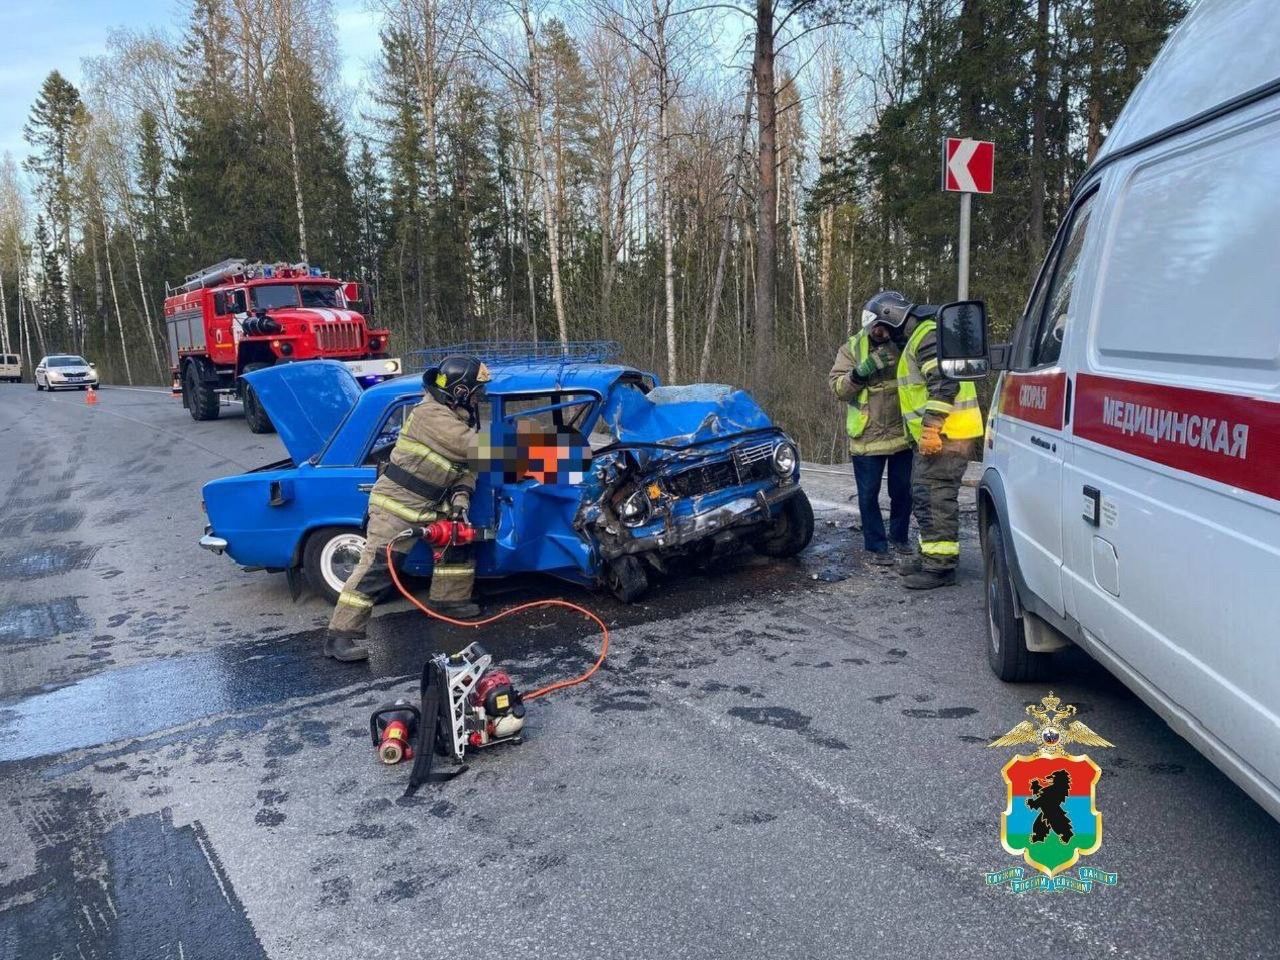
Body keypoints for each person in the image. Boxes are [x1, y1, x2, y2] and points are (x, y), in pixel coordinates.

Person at [323, 355, 490, 662]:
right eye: (476, 391)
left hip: (431, 503)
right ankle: (340, 636)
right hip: (396, 506)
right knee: (376, 569)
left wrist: (460, 500)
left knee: (458, 542)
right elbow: (480, 450)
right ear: (460, 391)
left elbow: (468, 466)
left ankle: (448, 601)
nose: (481, 397)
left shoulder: (455, 416)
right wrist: (554, 451)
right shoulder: (431, 415)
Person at [861, 291, 983, 590]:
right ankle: (929, 554)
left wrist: (930, 429)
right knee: (925, 496)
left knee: (935, 497)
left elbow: (944, 385)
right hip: (941, 435)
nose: (879, 336)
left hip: (947, 435)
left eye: (879, 328)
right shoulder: (920, 337)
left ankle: (939, 567)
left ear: (891, 316)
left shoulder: (927, 336)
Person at [828, 302, 913, 565]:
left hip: (901, 432)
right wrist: (860, 372)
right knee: (868, 494)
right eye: (874, 326)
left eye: (883, 326)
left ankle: (899, 538)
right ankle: (876, 547)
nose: (878, 331)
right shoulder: (852, 348)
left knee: (902, 491)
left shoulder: (907, 344)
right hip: (867, 435)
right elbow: (838, 388)